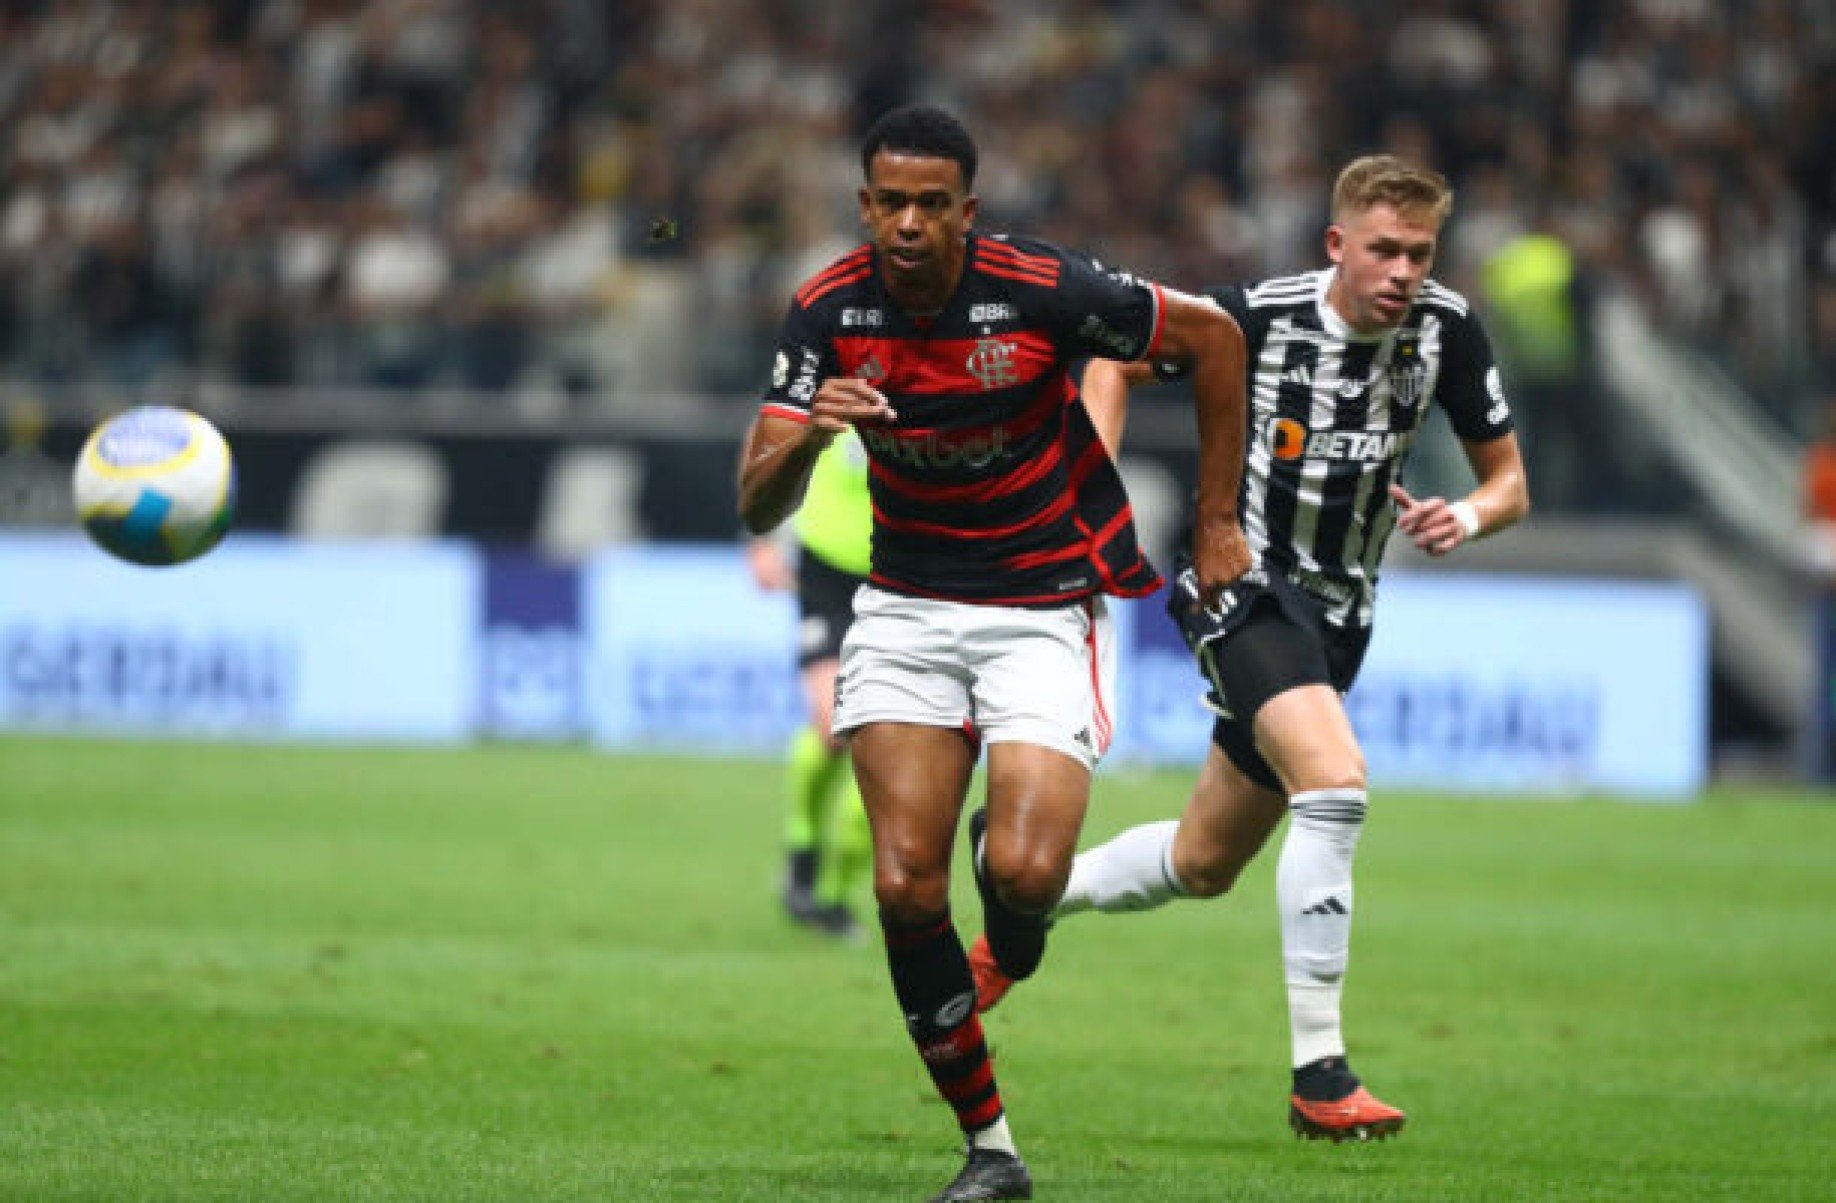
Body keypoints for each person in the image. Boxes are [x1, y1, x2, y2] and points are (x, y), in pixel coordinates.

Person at [737, 105, 1251, 1203]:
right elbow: (755, 501)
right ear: (864, 205)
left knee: (1023, 875)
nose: (909, 224)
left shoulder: (1041, 288)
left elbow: (1213, 338)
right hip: (905, 608)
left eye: (932, 204)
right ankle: (991, 1147)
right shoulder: (827, 310)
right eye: (891, 202)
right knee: (902, 885)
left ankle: (1015, 913)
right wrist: (813, 430)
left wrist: (1215, 522)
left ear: (967, 211)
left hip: (1040, 605)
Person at [970, 154, 1532, 1145]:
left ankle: (1024, 895)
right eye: (1385, 250)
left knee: (1203, 861)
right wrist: (1085, 483)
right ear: (1337, 245)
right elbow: (1115, 358)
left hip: (1342, 616)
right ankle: (1322, 1074)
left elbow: (1510, 483)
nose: (1404, 271)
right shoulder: (1254, 316)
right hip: (1240, 581)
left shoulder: (1447, 329)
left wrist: (1468, 516)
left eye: (1420, 252)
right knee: (1336, 782)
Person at [747, 431, 874, 938]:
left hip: (903, 574)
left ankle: (836, 895)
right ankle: (803, 852)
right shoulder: (833, 384)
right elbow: (772, 434)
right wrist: (760, 535)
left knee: (882, 749)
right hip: (826, 572)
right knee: (834, 728)